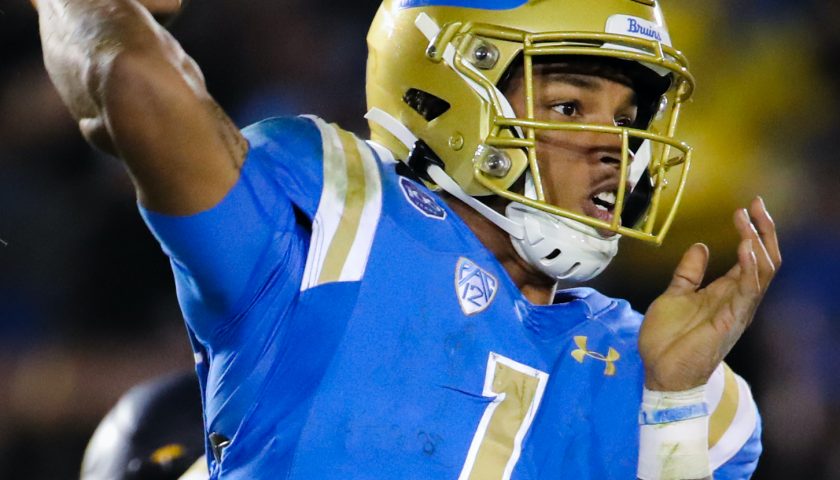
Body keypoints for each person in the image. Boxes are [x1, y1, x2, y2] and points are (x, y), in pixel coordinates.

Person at [33, 0, 781, 478]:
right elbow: (130, 79)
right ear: (443, 90)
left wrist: (674, 405)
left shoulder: (683, 384)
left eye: (626, 119)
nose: (611, 147)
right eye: (568, 104)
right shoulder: (332, 214)